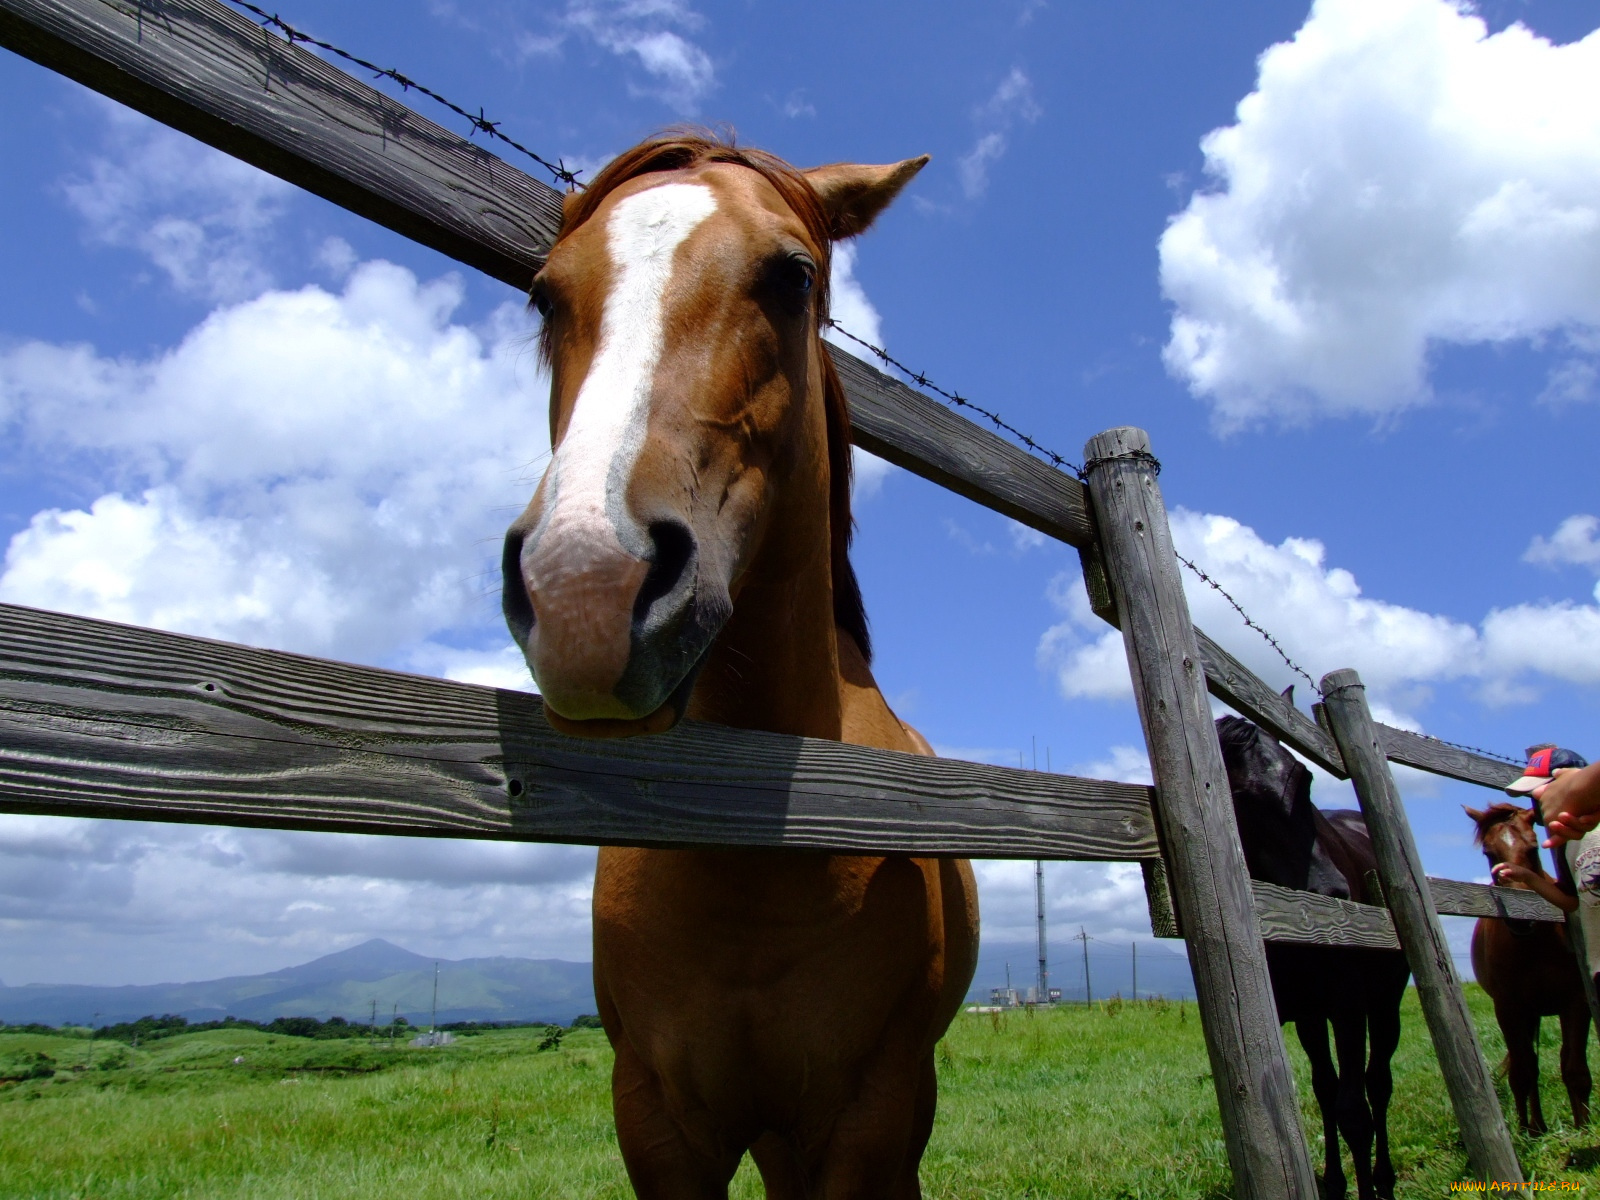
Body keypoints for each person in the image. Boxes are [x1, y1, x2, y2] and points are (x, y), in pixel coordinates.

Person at [1506, 746, 1600, 1005]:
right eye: (1531, 798)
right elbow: (1573, 901)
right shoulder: (1568, 842)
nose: (1536, 805)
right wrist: (1529, 877)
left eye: (1541, 791)